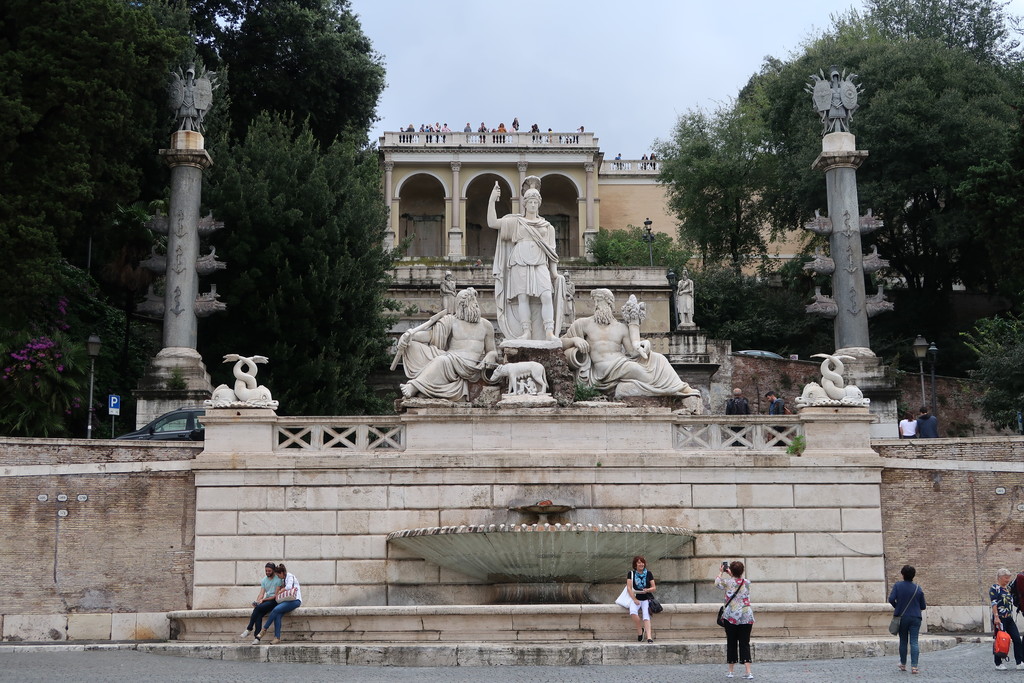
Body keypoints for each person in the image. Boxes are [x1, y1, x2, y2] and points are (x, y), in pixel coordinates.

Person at [561, 289, 701, 400]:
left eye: (601, 301)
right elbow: (560, 343)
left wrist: (645, 343)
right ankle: (672, 389)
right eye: (596, 301)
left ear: (610, 305)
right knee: (643, 374)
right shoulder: (583, 323)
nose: (598, 305)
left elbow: (634, 351)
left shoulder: (621, 327)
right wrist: (574, 340)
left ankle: (681, 387)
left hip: (621, 362)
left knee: (659, 358)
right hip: (602, 369)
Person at [487, 176, 564, 340]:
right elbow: (492, 223)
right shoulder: (516, 222)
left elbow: (552, 253)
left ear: (539, 204)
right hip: (519, 260)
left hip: (539, 261)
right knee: (523, 298)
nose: (533, 205)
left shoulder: (547, 226)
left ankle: (549, 332)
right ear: (525, 204)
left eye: (536, 202)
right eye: (530, 202)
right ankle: (526, 331)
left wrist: (555, 273)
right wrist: (492, 200)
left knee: (546, 296)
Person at [395, 288, 499, 400]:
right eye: (464, 304)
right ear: (459, 306)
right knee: (413, 346)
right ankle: (426, 386)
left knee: (442, 360)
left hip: (469, 365)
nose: (470, 306)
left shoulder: (486, 325)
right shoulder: (451, 321)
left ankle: (414, 386)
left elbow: (492, 350)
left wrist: (491, 356)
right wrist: (410, 336)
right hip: (450, 356)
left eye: (472, 302)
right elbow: (430, 335)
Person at [716, 560, 754, 679]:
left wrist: (721, 572)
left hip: (731, 617)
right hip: (746, 616)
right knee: (745, 643)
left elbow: (717, 583)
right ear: (742, 571)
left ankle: (731, 671)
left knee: (731, 643)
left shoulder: (727, 582)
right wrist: (733, 573)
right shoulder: (747, 582)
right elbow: (738, 581)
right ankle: (748, 672)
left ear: (731, 571)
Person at [888, 564, 926, 674]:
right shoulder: (918, 588)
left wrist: (898, 607)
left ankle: (903, 664)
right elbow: (923, 606)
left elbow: (891, 599)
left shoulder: (898, 586)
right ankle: (914, 667)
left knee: (903, 641)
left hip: (902, 617)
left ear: (903, 575)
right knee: (914, 641)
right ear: (913, 576)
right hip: (916, 617)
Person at [253, 564, 301, 645]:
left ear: (282, 573)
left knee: (275, 610)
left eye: (278, 575)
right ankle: (277, 638)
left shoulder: (289, 576)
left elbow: (289, 587)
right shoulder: (283, 580)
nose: (278, 577)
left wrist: (281, 590)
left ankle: (264, 630)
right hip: (287, 601)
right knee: (277, 614)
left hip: (295, 600)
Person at [990, 568, 1024, 670]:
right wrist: (996, 617)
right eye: (1006, 578)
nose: (1007, 580)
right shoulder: (994, 588)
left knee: (1017, 639)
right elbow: (994, 603)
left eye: (1008, 578)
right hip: (1000, 619)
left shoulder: (1007, 589)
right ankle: (998, 663)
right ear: (1000, 577)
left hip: (1009, 618)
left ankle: (1019, 662)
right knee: (1000, 640)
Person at [239, 561, 281, 640]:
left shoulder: (278, 579)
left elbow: (276, 596)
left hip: (275, 601)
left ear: (273, 570)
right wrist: (258, 601)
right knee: (258, 614)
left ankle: (249, 628)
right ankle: (256, 638)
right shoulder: (264, 580)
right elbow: (261, 593)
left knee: (257, 609)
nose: (267, 572)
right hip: (267, 601)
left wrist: (263, 600)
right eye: (266, 571)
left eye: (269, 571)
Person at [626, 555, 656, 643]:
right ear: (635, 565)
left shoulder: (649, 573)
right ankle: (640, 631)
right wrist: (634, 599)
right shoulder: (631, 573)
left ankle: (649, 637)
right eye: (639, 562)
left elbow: (654, 587)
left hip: (646, 598)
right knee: (633, 613)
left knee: (646, 616)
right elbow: (629, 588)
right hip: (635, 598)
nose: (641, 564)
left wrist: (648, 590)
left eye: (642, 562)